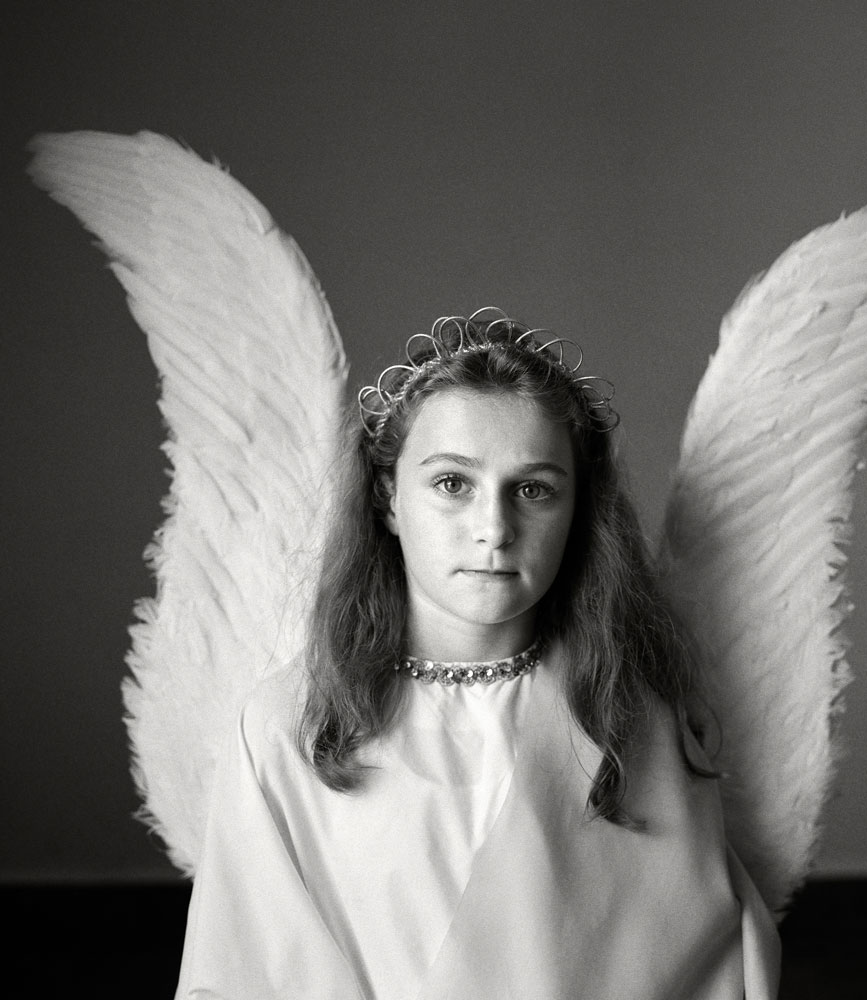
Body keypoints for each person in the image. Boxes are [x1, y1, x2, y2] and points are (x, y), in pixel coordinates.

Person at [174, 309, 780, 999]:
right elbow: (242, 970)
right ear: (388, 499)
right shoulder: (292, 725)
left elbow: (706, 965)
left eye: (533, 489)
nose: (494, 528)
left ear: (578, 512)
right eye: (453, 484)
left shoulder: (633, 720)